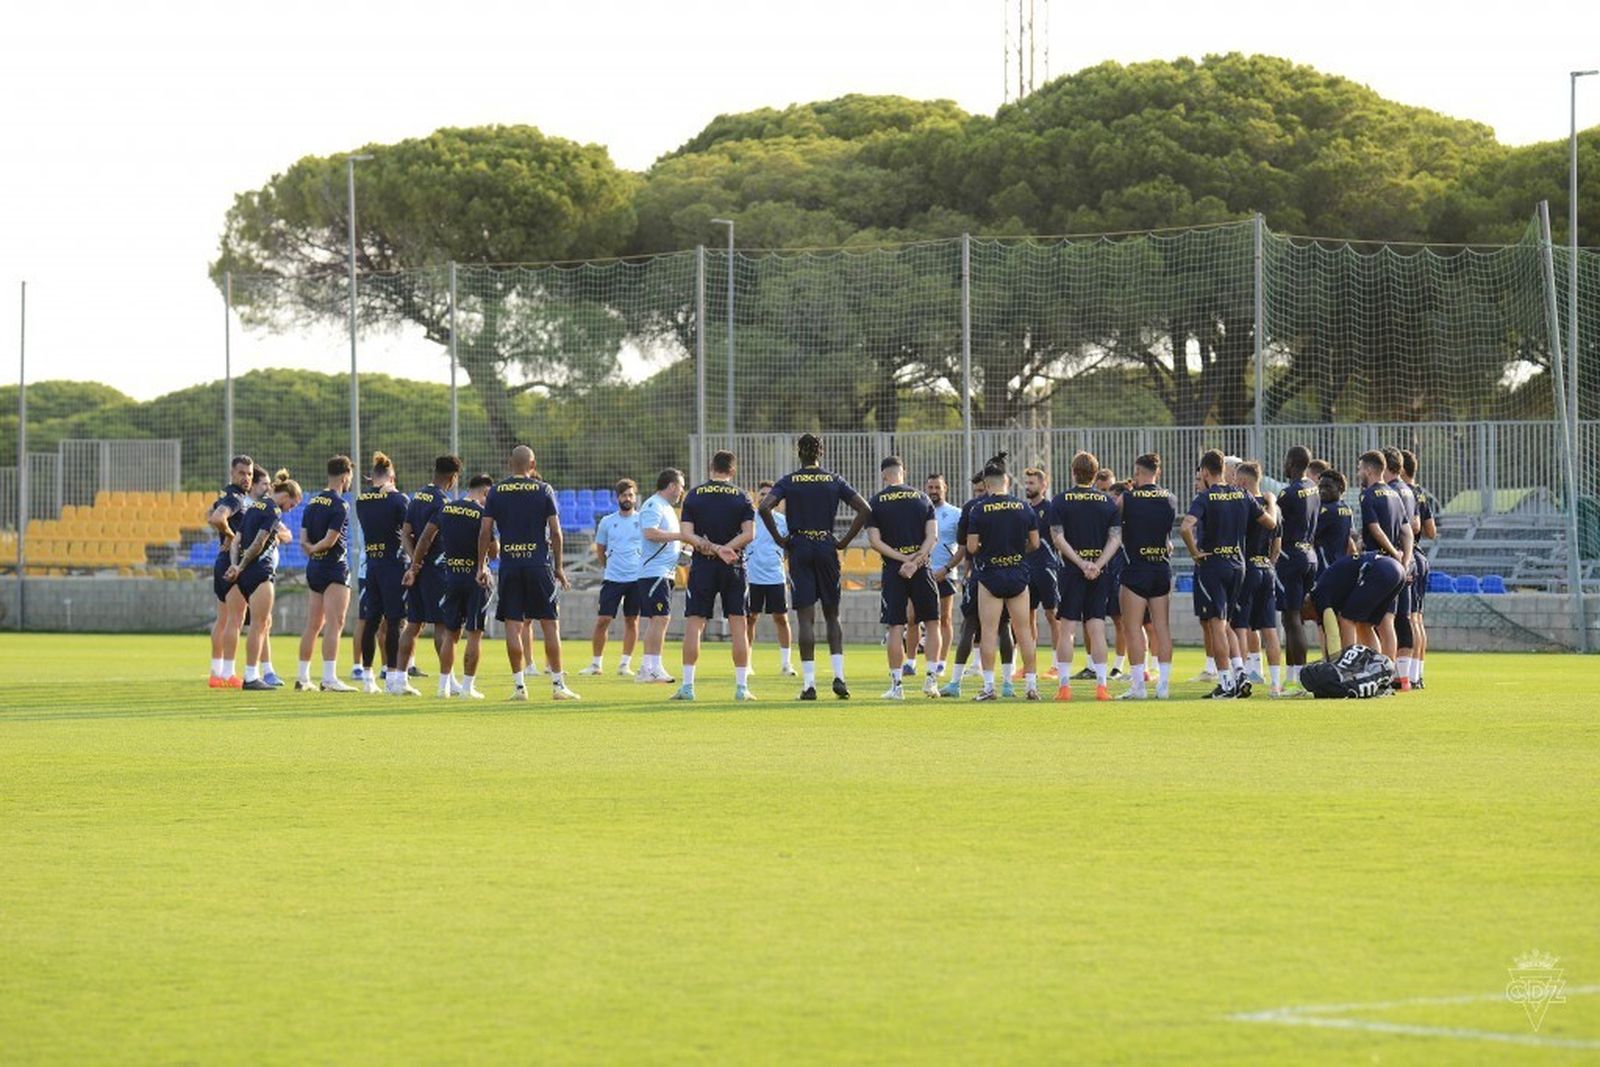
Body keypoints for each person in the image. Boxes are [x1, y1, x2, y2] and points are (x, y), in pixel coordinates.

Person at [759, 433, 872, 700]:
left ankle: (809, 685)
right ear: (821, 452)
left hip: (799, 547)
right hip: (825, 546)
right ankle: (839, 677)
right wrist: (843, 541)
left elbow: (764, 507)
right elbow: (865, 509)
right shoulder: (834, 479)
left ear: (799, 453)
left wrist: (779, 539)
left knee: (805, 617)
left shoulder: (789, 480)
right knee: (833, 615)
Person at [478, 444, 577, 702]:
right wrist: (558, 567)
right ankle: (558, 686)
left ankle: (519, 688)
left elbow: (485, 531)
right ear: (532, 466)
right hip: (538, 565)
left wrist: (481, 566)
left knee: (514, 625)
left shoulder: (497, 491)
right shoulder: (544, 489)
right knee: (550, 625)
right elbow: (555, 532)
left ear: (510, 464)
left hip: (510, 566)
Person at [1181, 448, 1276, 699]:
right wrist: (1273, 505)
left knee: (1216, 625)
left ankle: (1225, 684)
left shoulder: (1206, 497)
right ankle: (1241, 673)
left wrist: (1194, 553)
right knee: (1230, 623)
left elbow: (1185, 527)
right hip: (1239, 564)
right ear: (1224, 470)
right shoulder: (1242, 493)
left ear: (1204, 471)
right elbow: (1270, 523)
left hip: (1214, 564)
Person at [671, 450, 757, 701]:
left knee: (694, 625)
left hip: (703, 565)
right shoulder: (742, 497)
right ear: (733, 470)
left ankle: (688, 686)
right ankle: (741, 688)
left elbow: (686, 533)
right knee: (739, 626)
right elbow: (749, 534)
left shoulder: (695, 495)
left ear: (711, 467)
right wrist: (726, 549)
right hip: (734, 566)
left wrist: (714, 548)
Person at [407, 473, 493, 699]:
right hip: (475, 577)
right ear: (485, 492)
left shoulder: (447, 509)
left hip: (450, 576)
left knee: (451, 633)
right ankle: (466, 688)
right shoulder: (482, 514)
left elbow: (425, 538)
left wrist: (415, 565)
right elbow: (494, 551)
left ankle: (442, 687)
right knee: (474, 633)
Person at [865, 456, 943, 699]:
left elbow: (875, 541)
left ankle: (897, 686)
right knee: (932, 623)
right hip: (922, 568)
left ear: (883, 475)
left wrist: (901, 560)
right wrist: (915, 560)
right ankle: (931, 681)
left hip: (893, 571)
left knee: (895, 626)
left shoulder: (876, 502)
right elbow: (933, 537)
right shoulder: (922, 498)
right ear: (903, 473)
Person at [965, 453, 1042, 701]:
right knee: (1024, 632)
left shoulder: (978, 509)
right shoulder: (1024, 507)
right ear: (1007, 481)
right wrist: (1017, 552)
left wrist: (988, 549)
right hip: (1018, 572)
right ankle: (1031, 686)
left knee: (988, 632)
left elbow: (971, 546)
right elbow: (1035, 543)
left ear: (987, 485)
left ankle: (989, 687)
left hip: (990, 574)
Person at [1049, 450, 1120, 702]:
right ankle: (1101, 687)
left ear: (1073, 472)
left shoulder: (1060, 500)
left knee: (1067, 629)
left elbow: (1058, 538)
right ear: (1095, 473)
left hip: (1071, 571)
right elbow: (1115, 538)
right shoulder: (1107, 502)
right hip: (1099, 573)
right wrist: (1097, 564)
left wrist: (1080, 563)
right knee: (1097, 629)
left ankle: (1064, 687)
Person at [223, 469, 303, 691]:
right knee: (259, 625)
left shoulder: (254, 506)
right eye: (292, 504)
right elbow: (258, 542)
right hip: (260, 572)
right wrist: (241, 565)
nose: (291, 509)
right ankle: (251, 676)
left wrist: (235, 565)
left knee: (257, 623)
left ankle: (251, 673)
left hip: (245, 574)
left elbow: (237, 539)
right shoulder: (273, 511)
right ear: (285, 496)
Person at [941, 471, 1015, 698]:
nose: (979, 495)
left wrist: (969, 568)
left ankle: (956, 683)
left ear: (987, 485)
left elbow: (966, 545)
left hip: (981, 573)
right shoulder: (1014, 507)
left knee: (971, 625)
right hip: (1008, 572)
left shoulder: (973, 508)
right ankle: (1007, 684)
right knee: (1002, 627)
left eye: (981, 490)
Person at [1115, 453, 1177, 700]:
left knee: (1132, 629)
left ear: (1137, 472)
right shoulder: (1170, 498)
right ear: (1158, 473)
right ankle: (1163, 685)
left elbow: (1114, 524)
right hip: (1161, 567)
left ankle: (1138, 687)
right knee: (1162, 628)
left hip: (1136, 568)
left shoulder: (1127, 499)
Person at [398, 456, 461, 692]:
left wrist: (413, 562)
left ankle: (398, 680)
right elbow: (427, 536)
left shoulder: (417, 497)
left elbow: (405, 534)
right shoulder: (442, 502)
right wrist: (417, 564)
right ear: (453, 477)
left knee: (413, 624)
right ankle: (448, 680)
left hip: (418, 570)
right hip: (434, 570)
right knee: (442, 625)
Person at [294, 455, 357, 692]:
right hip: (333, 567)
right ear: (344, 477)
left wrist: (310, 550)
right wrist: (316, 548)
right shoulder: (340, 504)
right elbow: (330, 540)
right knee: (335, 623)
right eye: (349, 476)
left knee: (313, 624)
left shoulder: (312, 503)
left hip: (314, 567)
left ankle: (302, 677)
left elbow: (303, 538)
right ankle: (329, 678)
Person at [355, 453, 415, 696]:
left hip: (372, 565)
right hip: (394, 564)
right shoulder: (399, 500)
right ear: (391, 477)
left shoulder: (361, 500)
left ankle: (368, 676)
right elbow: (408, 531)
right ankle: (392, 677)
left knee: (371, 622)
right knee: (395, 622)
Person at [1233, 461, 1285, 697]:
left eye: (1235, 479)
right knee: (1269, 627)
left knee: (1240, 626)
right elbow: (1277, 543)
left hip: (1248, 568)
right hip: (1267, 569)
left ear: (1243, 482)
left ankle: (1242, 680)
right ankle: (1275, 684)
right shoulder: (1274, 507)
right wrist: (1270, 563)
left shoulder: (1243, 503)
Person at [1357, 449, 1413, 665]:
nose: (1358, 473)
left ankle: (1374, 669)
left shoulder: (1368, 495)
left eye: (1360, 468)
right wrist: (1404, 560)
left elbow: (1375, 529)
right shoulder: (1395, 494)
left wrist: (1390, 551)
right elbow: (1407, 531)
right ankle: (1388, 674)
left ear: (1370, 470)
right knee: (1387, 621)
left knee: (1364, 622)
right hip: (1396, 566)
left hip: (1378, 564)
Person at [584, 479, 643, 677]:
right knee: (603, 620)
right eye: (624, 495)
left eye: (631, 495)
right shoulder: (607, 522)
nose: (628, 498)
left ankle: (625, 664)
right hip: (613, 578)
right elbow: (600, 549)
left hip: (636, 579)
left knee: (632, 620)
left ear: (635, 498)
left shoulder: (642, 520)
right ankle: (595, 664)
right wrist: (607, 566)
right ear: (617, 497)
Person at [634, 468, 689, 684]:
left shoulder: (666, 507)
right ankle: (653, 668)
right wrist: (681, 536)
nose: (682, 491)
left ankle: (647, 668)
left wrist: (680, 553)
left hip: (664, 572)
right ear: (672, 486)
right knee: (660, 619)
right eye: (681, 486)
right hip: (654, 572)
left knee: (658, 620)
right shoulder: (653, 505)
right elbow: (650, 533)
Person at [1275, 445, 1320, 695]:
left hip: (1291, 557)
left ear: (1291, 463)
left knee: (1292, 619)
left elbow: (1274, 526)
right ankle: (1292, 678)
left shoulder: (1288, 493)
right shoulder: (1313, 488)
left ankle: (1297, 680)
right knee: (1294, 618)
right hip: (1309, 554)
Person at [206, 454, 253, 688]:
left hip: (221, 560)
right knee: (236, 618)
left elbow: (209, 514)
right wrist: (231, 535)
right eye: (242, 473)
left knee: (223, 619)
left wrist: (224, 533)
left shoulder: (225, 494)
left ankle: (216, 673)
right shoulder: (235, 497)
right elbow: (216, 518)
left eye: (250, 474)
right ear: (233, 473)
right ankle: (229, 673)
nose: (246, 478)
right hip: (232, 561)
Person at [744, 481, 795, 677]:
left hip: (775, 575)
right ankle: (747, 663)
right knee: (750, 618)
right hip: (752, 575)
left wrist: (779, 558)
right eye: (762, 494)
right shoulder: (749, 520)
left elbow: (788, 547)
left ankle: (786, 664)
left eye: (768, 494)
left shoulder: (782, 521)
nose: (764, 497)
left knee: (781, 618)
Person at [1312, 551, 1407, 655]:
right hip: (1395, 569)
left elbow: (1331, 633)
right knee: (1364, 625)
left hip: (1379, 569)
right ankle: (1376, 667)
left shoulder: (1319, 595)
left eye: (1304, 617)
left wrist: (1334, 660)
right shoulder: (1325, 588)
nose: (1310, 619)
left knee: (1347, 619)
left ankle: (1347, 666)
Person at [1021, 466, 1063, 682]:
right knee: (1026, 618)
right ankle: (1029, 665)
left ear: (1043, 485)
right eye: (1026, 483)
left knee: (1052, 616)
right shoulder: (1023, 510)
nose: (1027, 487)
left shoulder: (1051, 508)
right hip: (1026, 569)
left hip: (1047, 568)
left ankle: (1056, 665)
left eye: (1032, 483)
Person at [918, 473, 963, 680]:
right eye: (930, 487)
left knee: (944, 619)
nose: (934, 491)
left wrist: (946, 569)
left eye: (937, 487)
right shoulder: (920, 511)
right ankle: (911, 662)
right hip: (922, 572)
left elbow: (963, 547)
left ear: (945, 488)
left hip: (945, 573)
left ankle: (941, 663)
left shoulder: (955, 514)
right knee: (915, 618)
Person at [1400, 450, 1436, 690]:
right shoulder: (1422, 493)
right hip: (1422, 556)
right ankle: (1417, 675)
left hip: (1409, 556)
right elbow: (1431, 532)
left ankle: (1406, 676)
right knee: (1418, 619)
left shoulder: (1403, 493)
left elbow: (1411, 526)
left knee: (1408, 619)